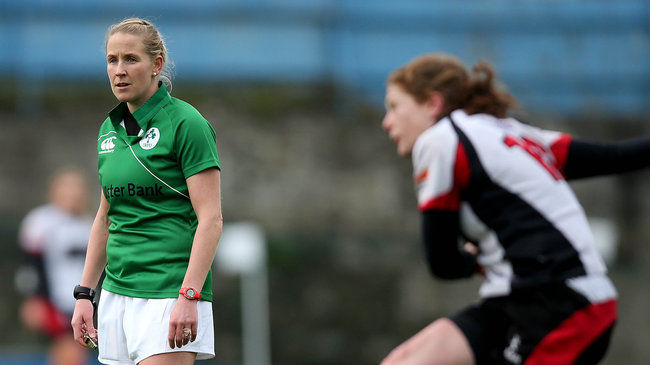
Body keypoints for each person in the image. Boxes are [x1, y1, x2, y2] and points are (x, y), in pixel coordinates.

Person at [379, 53, 650, 364]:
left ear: (432, 103)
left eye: (394, 106)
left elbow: (442, 261)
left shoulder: (440, 141)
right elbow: (615, 156)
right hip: (519, 299)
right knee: (404, 359)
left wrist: (471, 260)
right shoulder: (511, 133)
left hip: (563, 307)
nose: (387, 121)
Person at [70, 18, 222, 365]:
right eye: (112, 60)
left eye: (130, 59)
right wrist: (84, 294)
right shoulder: (109, 130)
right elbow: (106, 217)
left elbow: (211, 218)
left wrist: (190, 295)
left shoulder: (187, 123)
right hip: (115, 294)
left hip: (168, 292)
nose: (119, 71)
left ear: (156, 66)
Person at [16, 167, 93, 365]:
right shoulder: (40, 221)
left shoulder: (90, 224)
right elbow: (30, 265)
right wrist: (33, 299)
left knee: (76, 353)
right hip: (53, 299)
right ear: (54, 191)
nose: (73, 194)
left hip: (82, 300)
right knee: (68, 351)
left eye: (77, 188)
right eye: (67, 187)